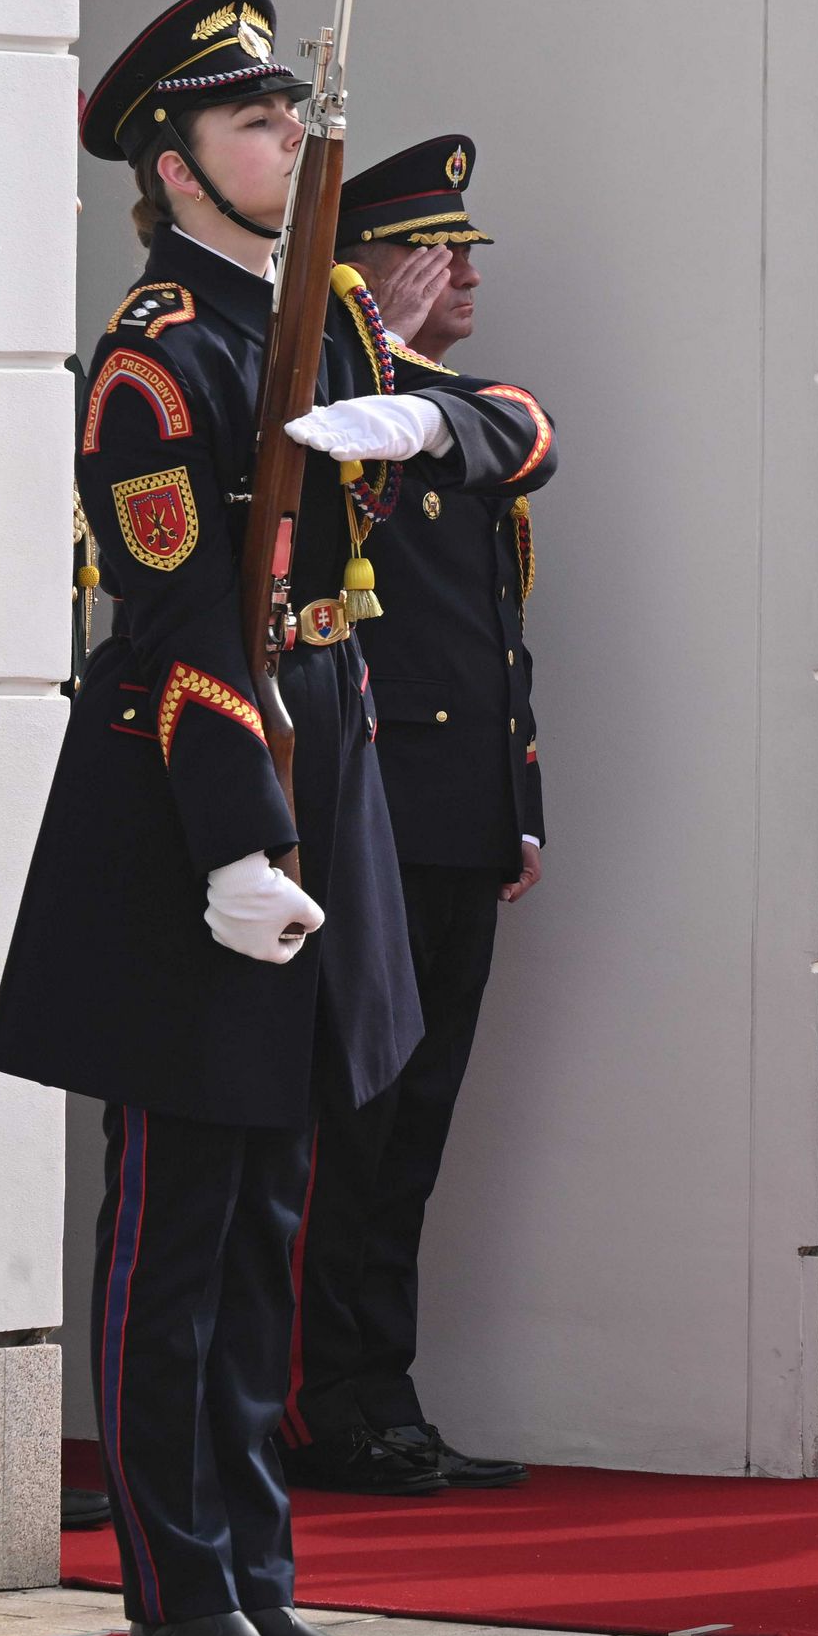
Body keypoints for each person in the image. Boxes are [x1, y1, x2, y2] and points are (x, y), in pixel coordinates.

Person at [0, 0, 543, 1636]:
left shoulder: (328, 319)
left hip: (325, 774)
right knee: (180, 1226)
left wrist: (423, 421)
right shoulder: (158, 356)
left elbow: (513, 431)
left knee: (271, 1223)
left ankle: (258, 1571)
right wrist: (237, 841)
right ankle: (177, 1595)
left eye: (291, 112)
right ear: (171, 164)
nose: (291, 136)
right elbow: (174, 617)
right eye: (252, 121)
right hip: (192, 807)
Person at [286, 134, 557, 1497]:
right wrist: (368, 358)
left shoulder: (455, 411)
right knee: (348, 1127)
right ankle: (314, 1399)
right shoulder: (324, 403)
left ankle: (378, 1390)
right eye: (433, 254)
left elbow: (497, 612)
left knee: (414, 1131)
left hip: (455, 822)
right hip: (365, 821)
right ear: (363, 270)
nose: (463, 277)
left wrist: (519, 803)